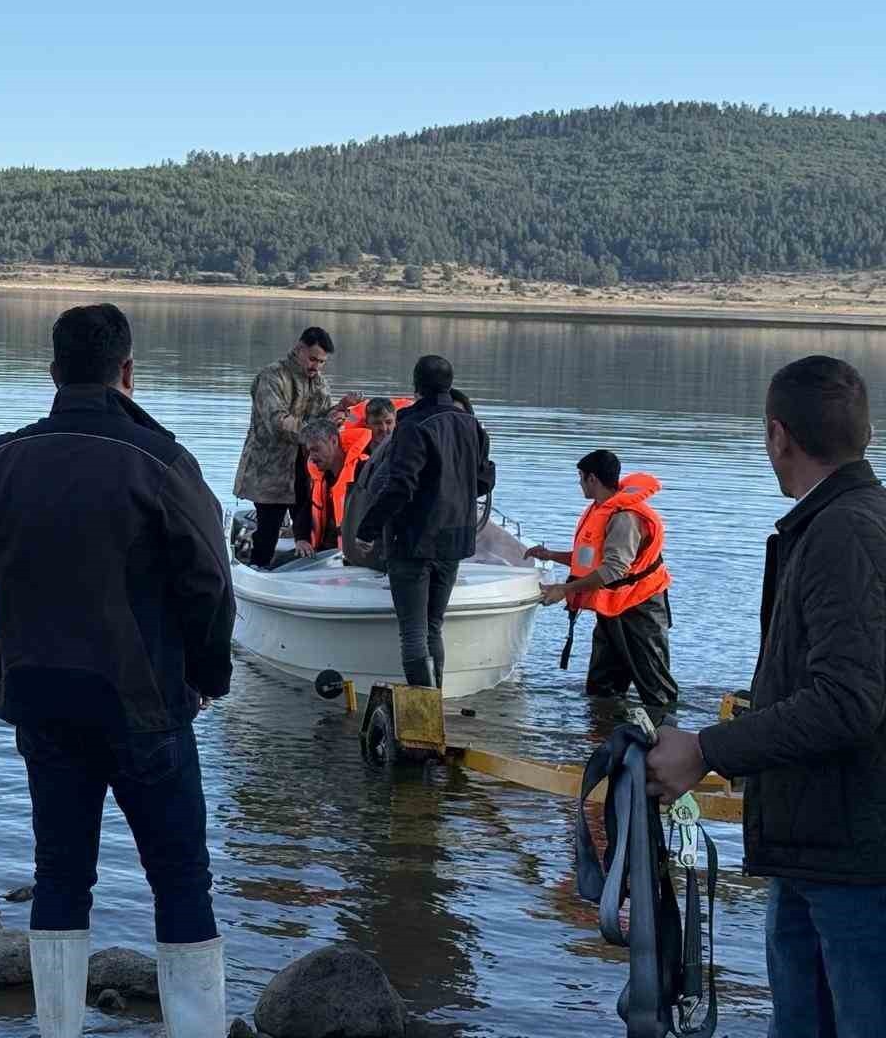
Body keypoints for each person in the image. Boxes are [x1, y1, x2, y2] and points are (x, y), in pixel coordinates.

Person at [0, 304, 235, 1038]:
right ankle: (198, 1029)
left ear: (53, 372)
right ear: (127, 374)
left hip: (42, 695)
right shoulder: (162, 461)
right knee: (179, 877)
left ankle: (57, 1030)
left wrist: (38, 576)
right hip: (146, 702)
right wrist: (207, 678)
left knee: (60, 874)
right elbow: (210, 584)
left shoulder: (8, 456)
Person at [646, 356, 886, 1038]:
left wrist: (706, 751)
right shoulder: (833, 524)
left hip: (853, 865)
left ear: (777, 436)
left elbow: (848, 699)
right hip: (815, 851)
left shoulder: (848, 533)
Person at [351, 357, 495, 688]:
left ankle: (423, 710)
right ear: (449, 384)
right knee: (433, 626)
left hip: (413, 540)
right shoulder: (471, 424)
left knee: (413, 631)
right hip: (455, 540)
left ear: (416, 386)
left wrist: (368, 529)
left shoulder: (414, 424)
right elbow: (483, 481)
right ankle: (434, 701)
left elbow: (400, 485)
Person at [527, 450, 678, 709]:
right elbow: (592, 561)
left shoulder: (624, 517)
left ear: (592, 479)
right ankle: (603, 734)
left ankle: (667, 736)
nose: (579, 483)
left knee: (655, 686)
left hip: (641, 608)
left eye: (581, 477)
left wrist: (564, 589)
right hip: (613, 607)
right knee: (602, 686)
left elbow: (613, 570)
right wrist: (550, 555)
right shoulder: (602, 509)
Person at [233, 326, 362, 567]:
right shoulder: (271, 376)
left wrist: (339, 410)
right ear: (299, 349)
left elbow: (322, 418)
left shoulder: (320, 383)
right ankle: (257, 570)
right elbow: (277, 422)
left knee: (310, 527)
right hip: (269, 469)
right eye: (313, 359)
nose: (316, 366)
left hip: (305, 465)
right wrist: (316, 431)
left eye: (322, 362)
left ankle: (308, 574)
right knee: (268, 529)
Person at [302, 398, 407, 554]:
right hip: (335, 548)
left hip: (362, 547)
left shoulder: (367, 465)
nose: (384, 429)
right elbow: (305, 505)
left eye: (389, 422)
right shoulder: (329, 469)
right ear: (368, 425)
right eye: (378, 423)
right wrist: (301, 536)